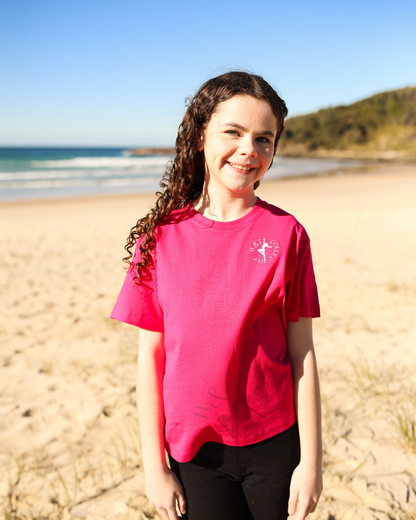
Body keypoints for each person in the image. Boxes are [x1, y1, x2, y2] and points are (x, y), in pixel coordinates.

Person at [111, 71, 322, 520]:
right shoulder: (160, 238)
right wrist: (154, 466)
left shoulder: (288, 235)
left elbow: (302, 353)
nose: (250, 148)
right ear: (201, 134)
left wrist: (312, 463)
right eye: (234, 131)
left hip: (274, 442)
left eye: (265, 139)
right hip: (194, 451)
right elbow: (151, 357)